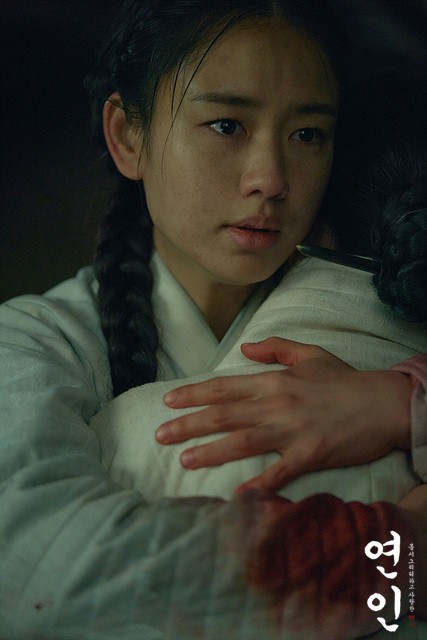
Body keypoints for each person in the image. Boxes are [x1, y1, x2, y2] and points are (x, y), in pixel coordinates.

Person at [0, 1, 425, 639]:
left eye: (307, 134)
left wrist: (400, 406)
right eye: (226, 125)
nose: (270, 179)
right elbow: (49, 575)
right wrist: (406, 553)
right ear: (128, 137)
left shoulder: (392, 314)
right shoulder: (27, 346)